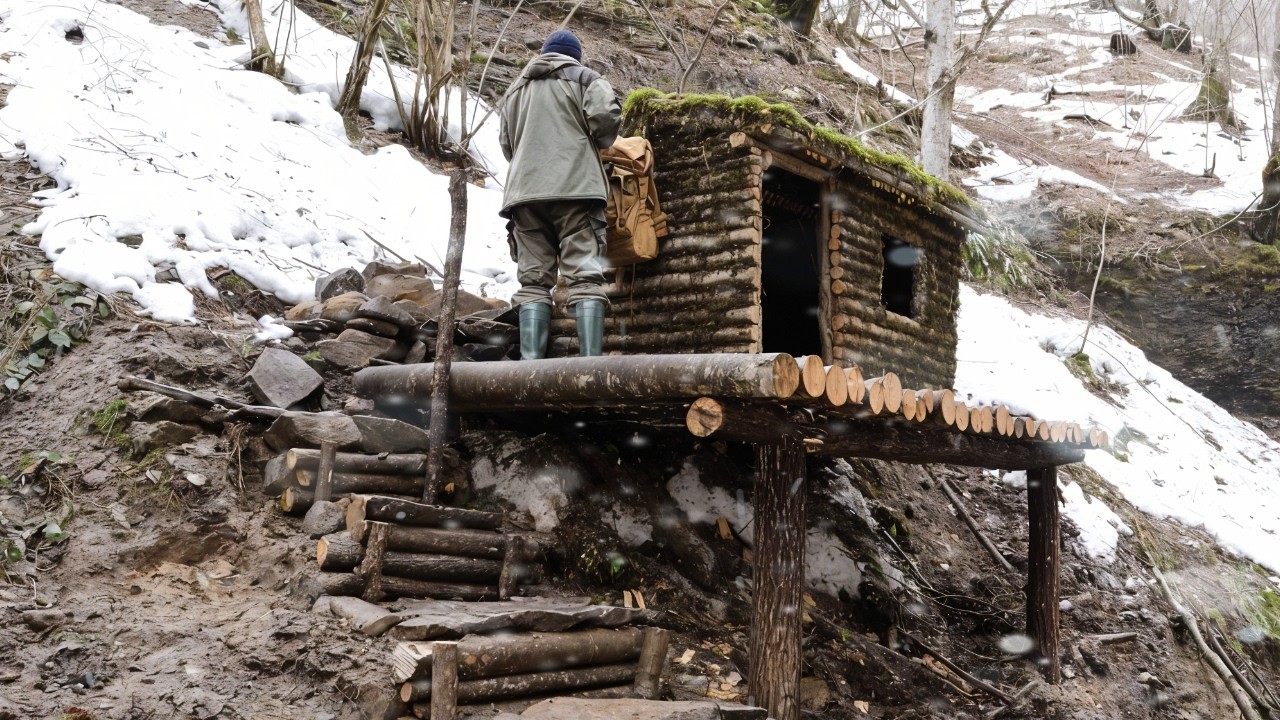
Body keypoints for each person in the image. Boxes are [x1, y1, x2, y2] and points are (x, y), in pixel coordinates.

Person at [499, 29, 621, 359]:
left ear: (544, 53)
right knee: (584, 277)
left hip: (524, 194)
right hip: (576, 190)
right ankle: (589, 366)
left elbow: (508, 145)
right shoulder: (586, 78)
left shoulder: (515, 88)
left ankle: (530, 369)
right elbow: (606, 125)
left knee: (533, 282)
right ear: (574, 56)